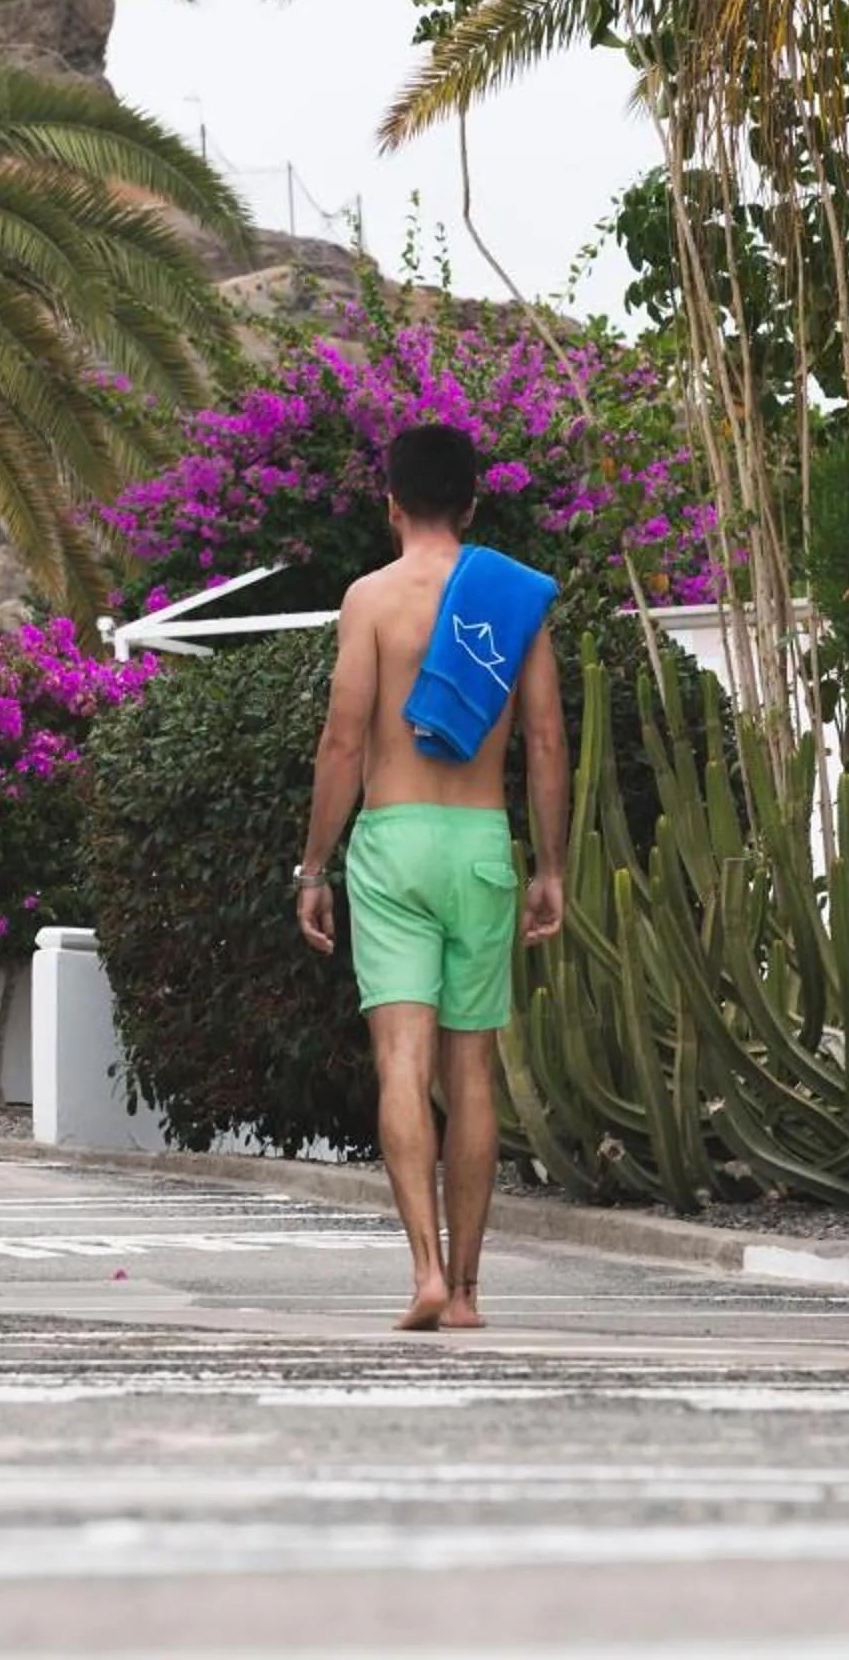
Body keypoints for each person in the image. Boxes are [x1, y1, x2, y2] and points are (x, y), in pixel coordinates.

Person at [296, 423, 568, 1331]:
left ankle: (422, 1271)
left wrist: (313, 866)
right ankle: (471, 1292)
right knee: (474, 1072)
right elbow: (544, 740)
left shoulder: (369, 599)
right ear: (475, 505)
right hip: (482, 841)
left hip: (393, 842)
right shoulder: (512, 597)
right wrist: (552, 866)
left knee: (402, 1062)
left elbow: (342, 740)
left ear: (391, 507)